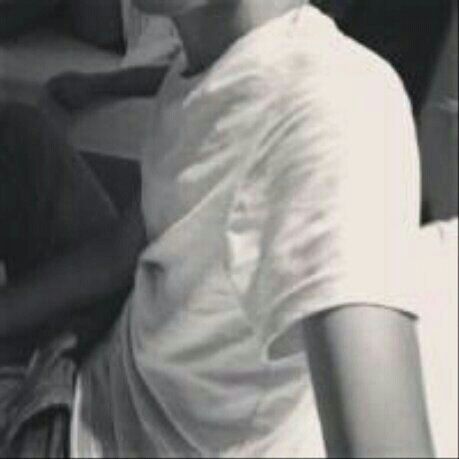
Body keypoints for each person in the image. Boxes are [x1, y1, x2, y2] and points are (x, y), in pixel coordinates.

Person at [0, 0, 455, 457]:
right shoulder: (212, 58)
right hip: (108, 354)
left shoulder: (335, 107)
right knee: (20, 137)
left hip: (80, 436)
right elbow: (120, 251)